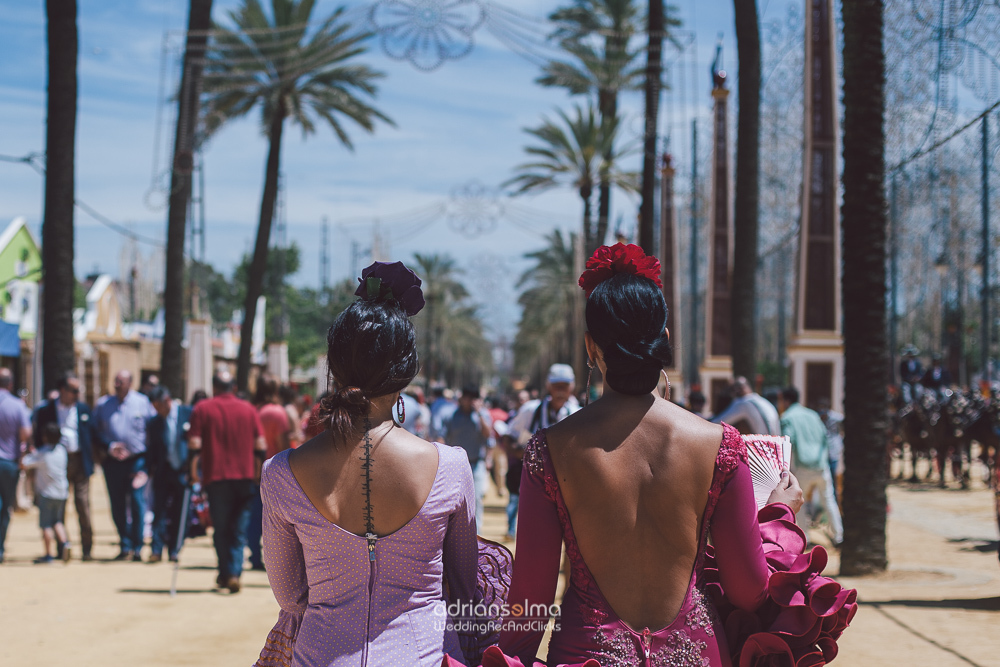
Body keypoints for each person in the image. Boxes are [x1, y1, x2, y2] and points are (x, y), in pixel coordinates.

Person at [495, 243, 855, 666]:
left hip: (585, 653)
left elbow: (530, 604)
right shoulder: (720, 446)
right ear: (664, 340)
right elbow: (748, 590)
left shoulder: (550, 451)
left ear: (591, 349)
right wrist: (778, 516)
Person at [254, 261, 478, 666]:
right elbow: (464, 585)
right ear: (408, 370)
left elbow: (289, 596)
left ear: (333, 366)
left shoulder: (282, 473)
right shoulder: (450, 467)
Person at [188, 371, 266, 593]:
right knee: (238, 528)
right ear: (233, 387)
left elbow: (194, 445)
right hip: (245, 477)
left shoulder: (202, 409)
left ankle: (227, 572)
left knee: (221, 529)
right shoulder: (249, 410)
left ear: (214, 387)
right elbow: (260, 446)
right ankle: (233, 573)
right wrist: (259, 473)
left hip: (217, 477)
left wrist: (192, 472)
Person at [95, 370, 155, 561]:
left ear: (130, 383)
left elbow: (153, 430)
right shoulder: (103, 404)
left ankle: (137, 547)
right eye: (116, 381)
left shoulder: (142, 403)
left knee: (137, 502)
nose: (118, 384)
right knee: (117, 505)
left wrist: (148, 464)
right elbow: (94, 431)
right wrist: (110, 447)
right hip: (113, 462)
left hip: (137, 460)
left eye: (122, 381)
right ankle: (125, 544)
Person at [34, 372, 95, 561]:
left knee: (83, 505)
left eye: (79, 390)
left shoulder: (83, 409)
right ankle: (62, 547)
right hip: (57, 462)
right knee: (59, 505)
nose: (77, 393)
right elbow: (38, 434)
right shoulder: (46, 410)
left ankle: (87, 548)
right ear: (63, 390)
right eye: (74, 390)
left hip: (80, 461)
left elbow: (93, 434)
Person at [778, 386, 844, 546]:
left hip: (802, 467)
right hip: (821, 466)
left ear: (786, 400)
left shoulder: (787, 417)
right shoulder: (813, 415)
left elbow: (788, 440)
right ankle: (838, 536)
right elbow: (824, 438)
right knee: (828, 499)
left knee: (798, 502)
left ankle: (805, 537)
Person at [247, 373, 291, 570]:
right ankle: (276, 560)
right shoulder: (277, 412)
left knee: (254, 516)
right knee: (276, 520)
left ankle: (254, 556)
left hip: (252, 470)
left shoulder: (252, 411)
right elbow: (283, 447)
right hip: (273, 472)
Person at [146, 386, 191, 563]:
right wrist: (147, 470)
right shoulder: (154, 423)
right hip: (163, 471)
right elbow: (152, 450)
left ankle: (175, 549)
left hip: (183, 471)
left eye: (159, 406)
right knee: (159, 511)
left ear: (167, 400)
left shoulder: (188, 414)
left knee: (180, 513)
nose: (157, 411)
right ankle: (156, 549)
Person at [444, 385, 493, 532]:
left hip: (476, 463)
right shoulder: (452, 416)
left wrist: (479, 414)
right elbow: (443, 438)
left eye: (474, 398)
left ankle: (476, 534)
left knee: (476, 499)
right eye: (468, 397)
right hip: (455, 465)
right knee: (453, 501)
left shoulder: (483, 415)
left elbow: (488, 435)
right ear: (462, 398)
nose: (471, 401)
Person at [21, 423, 71, 564]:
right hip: (62, 492)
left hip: (47, 493)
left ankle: (48, 554)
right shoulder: (62, 451)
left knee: (46, 524)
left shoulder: (43, 453)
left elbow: (25, 463)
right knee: (58, 521)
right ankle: (65, 544)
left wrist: (28, 452)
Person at [0, 368, 31, 564]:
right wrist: (22, 456)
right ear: (10, 384)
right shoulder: (17, 406)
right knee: (5, 508)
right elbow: (26, 433)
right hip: (9, 463)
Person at [710, 376, 781, 435]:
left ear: (737, 390)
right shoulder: (763, 401)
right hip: (776, 447)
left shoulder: (742, 402)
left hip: (762, 447)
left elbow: (718, 422)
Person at [816, 397, 844, 505]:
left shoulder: (837, 418)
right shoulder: (817, 419)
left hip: (833, 452)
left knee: (833, 479)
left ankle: (835, 503)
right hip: (821, 453)